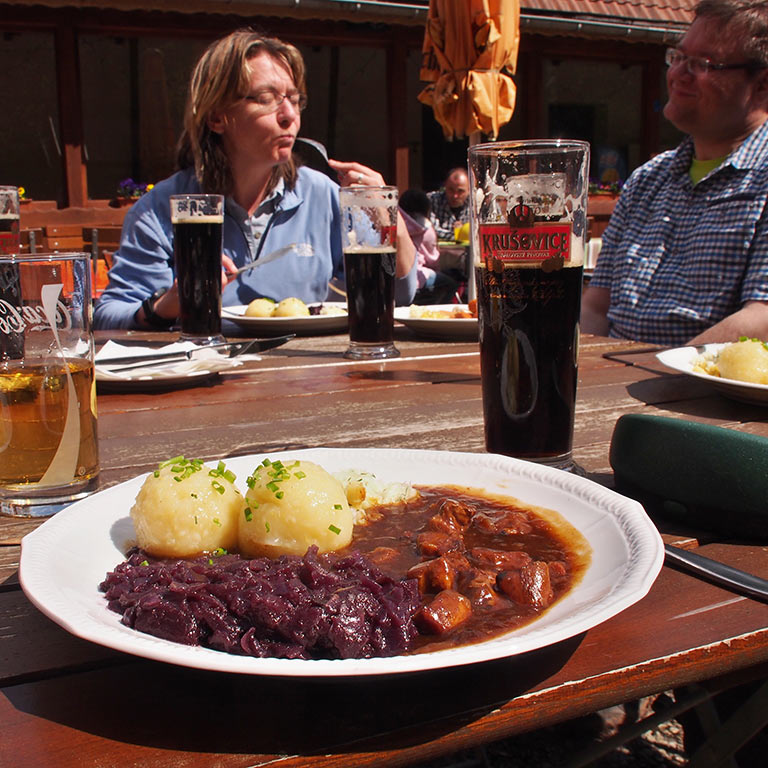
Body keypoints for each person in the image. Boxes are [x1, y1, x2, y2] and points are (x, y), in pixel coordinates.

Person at [94, 29, 416, 330]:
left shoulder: (324, 196)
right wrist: (166, 305)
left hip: (304, 380)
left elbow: (399, 296)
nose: (289, 115)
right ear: (217, 117)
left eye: (294, 99)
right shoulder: (162, 209)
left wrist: (389, 218)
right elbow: (109, 315)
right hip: (206, 379)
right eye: (266, 98)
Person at [581, 0, 768, 346]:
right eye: (678, 57)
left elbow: (761, 319)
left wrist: (657, 376)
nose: (678, 73)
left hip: (704, 392)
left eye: (703, 64)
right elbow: (596, 306)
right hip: (609, 380)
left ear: (761, 84)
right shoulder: (648, 178)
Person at [399, 189, 459, 304]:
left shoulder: (398, 225)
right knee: (450, 283)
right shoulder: (425, 228)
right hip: (418, 275)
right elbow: (433, 260)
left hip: (401, 277)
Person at [427, 167, 470, 241]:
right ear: (445, 186)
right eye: (451, 190)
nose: (455, 195)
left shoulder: (475, 205)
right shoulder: (432, 200)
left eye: (460, 191)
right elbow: (431, 230)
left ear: (469, 190)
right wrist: (459, 233)